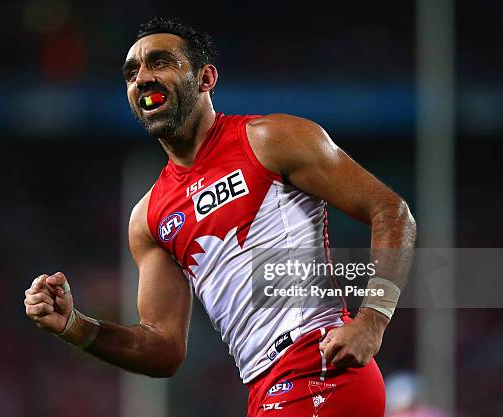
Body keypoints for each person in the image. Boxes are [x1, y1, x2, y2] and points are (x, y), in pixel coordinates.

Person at [24, 17, 416, 417]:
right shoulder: (149, 217)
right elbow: (163, 348)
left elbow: (391, 210)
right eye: (131, 73)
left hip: (320, 369)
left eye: (160, 63)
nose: (142, 78)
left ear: (205, 78)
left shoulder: (272, 140)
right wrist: (76, 327)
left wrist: (373, 319)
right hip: (265, 386)